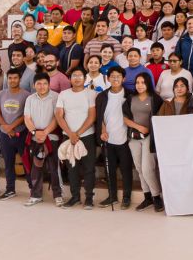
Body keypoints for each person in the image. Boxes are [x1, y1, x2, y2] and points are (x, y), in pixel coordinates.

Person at [55, 68, 97, 209]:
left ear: (85, 78)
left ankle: (89, 198)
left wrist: (77, 133)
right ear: (70, 79)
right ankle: (75, 197)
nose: (77, 78)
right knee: (72, 167)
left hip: (87, 136)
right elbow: (59, 115)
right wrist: (70, 133)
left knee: (89, 168)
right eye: (74, 76)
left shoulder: (91, 94)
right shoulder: (63, 94)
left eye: (80, 76)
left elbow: (92, 116)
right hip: (68, 136)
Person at [123, 72, 164, 212]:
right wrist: (138, 127)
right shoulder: (130, 98)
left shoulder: (155, 99)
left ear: (148, 83)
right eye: (137, 82)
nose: (139, 85)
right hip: (133, 137)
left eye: (142, 82)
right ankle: (147, 197)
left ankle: (157, 197)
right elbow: (125, 118)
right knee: (139, 168)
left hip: (149, 138)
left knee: (148, 169)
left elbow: (161, 117)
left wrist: (149, 130)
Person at [96, 66, 134, 209]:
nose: (115, 79)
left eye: (118, 76)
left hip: (125, 139)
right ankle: (112, 196)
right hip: (108, 138)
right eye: (112, 76)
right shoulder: (102, 96)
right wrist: (102, 130)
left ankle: (126, 197)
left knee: (126, 169)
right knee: (109, 169)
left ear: (123, 79)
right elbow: (100, 117)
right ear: (108, 78)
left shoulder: (130, 95)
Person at [22, 73, 62, 207]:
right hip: (35, 137)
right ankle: (35, 195)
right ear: (34, 85)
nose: (42, 86)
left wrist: (45, 132)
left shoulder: (56, 97)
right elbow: (27, 118)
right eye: (38, 83)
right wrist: (35, 132)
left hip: (51, 137)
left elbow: (57, 118)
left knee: (54, 167)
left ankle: (58, 195)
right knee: (36, 167)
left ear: (49, 84)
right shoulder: (30, 99)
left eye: (45, 83)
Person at [0, 67, 31, 200]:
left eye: (15, 78)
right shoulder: (1, 94)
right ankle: (10, 190)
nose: (12, 80)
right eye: (10, 78)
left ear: (19, 79)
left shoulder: (26, 95)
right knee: (8, 163)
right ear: (7, 79)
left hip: (20, 134)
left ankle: (33, 189)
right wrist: (5, 127)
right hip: (5, 135)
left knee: (27, 162)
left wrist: (12, 127)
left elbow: (25, 115)